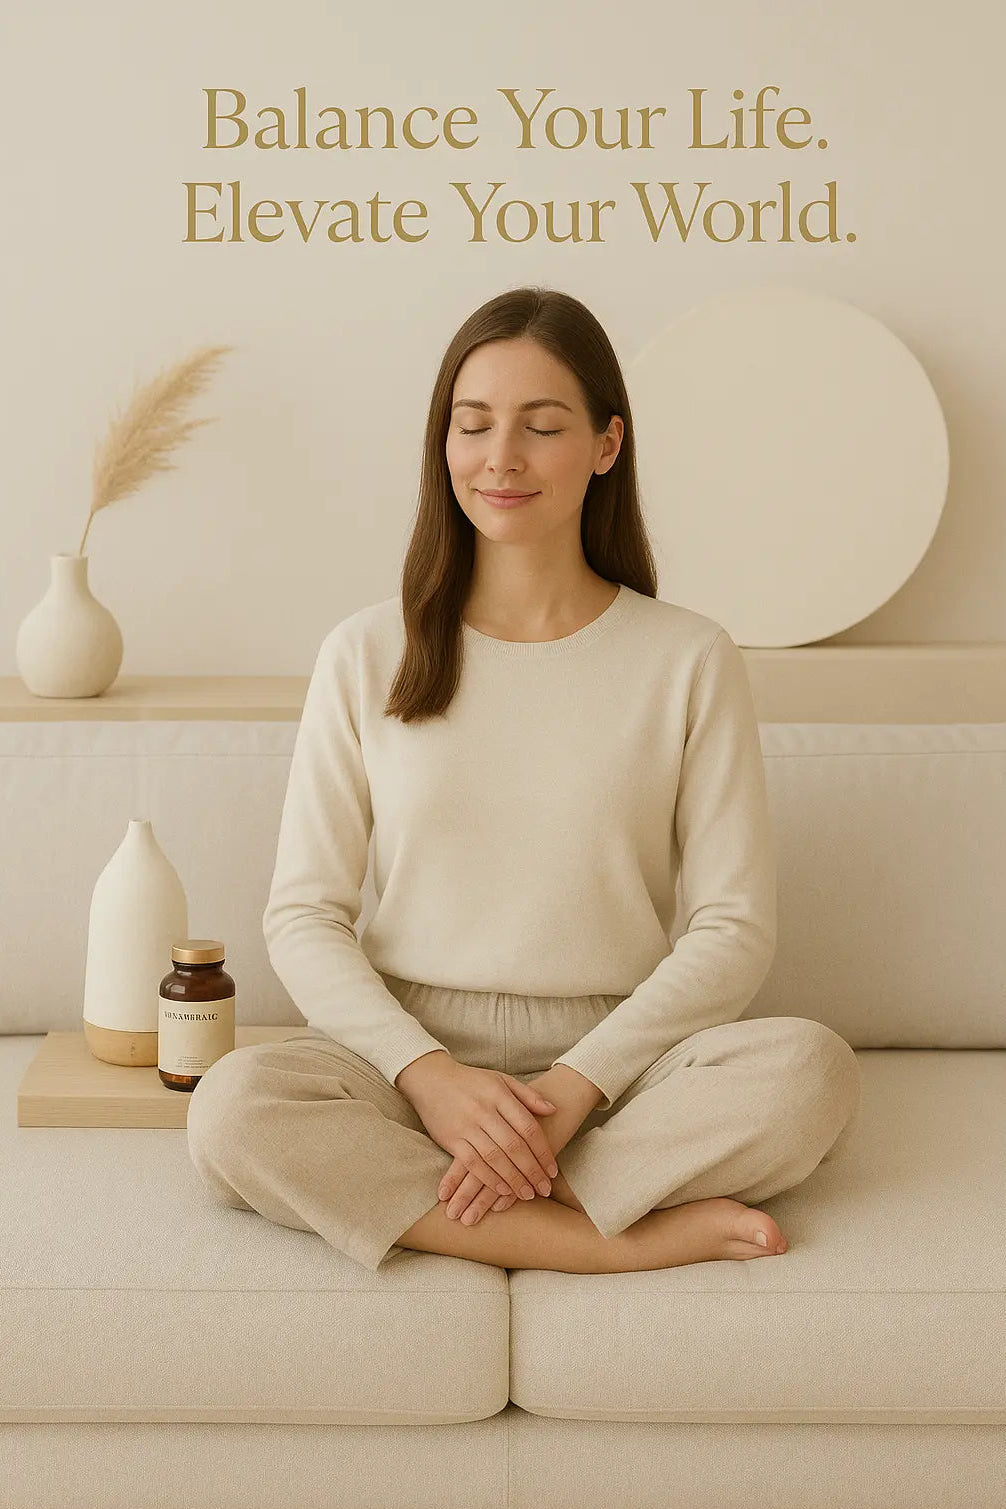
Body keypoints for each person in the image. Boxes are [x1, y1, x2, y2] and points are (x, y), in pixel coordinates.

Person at [186, 286, 862, 1275]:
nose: (499, 456)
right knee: (234, 1109)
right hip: (407, 1052)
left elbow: (730, 927)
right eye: (473, 425)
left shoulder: (688, 657)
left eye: (541, 426)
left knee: (809, 1073)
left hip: (616, 1062)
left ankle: (478, 1198)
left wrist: (571, 1092)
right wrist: (431, 1079)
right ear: (443, 445)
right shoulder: (366, 651)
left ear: (605, 444)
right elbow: (304, 915)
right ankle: (603, 1242)